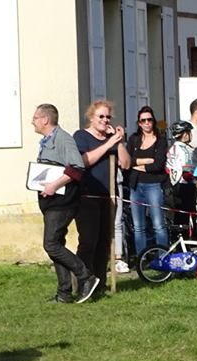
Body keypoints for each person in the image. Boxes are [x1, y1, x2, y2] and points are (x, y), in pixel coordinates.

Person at [31, 103, 99, 305]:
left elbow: (77, 168)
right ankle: (64, 293)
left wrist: (54, 185)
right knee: (56, 244)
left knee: (50, 244)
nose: (32, 121)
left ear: (45, 120)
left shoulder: (64, 139)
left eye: (35, 118)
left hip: (63, 201)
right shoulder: (46, 141)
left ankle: (86, 276)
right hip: (50, 202)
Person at [74, 99, 130, 294]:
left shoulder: (111, 139)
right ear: (92, 117)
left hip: (108, 196)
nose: (105, 120)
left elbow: (126, 164)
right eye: (101, 116)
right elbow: (84, 160)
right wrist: (108, 144)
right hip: (87, 196)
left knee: (104, 242)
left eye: (108, 117)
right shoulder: (81, 136)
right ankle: (83, 281)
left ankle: (99, 283)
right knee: (88, 240)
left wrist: (119, 142)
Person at [126, 105, 170, 258]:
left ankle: (163, 257)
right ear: (139, 123)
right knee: (138, 226)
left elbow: (158, 165)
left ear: (153, 121)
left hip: (154, 185)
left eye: (149, 120)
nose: (146, 123)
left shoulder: (161, 141)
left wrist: (136, 164)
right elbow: (127, 161)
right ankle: (141, 258)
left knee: (158, 224)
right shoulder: (134, 139)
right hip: (136, 186)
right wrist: (144, 161)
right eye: (143, 120)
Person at [166, 120, 196, 228]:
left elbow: (168, 169)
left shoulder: (172, 148)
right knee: (190, 215)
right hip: (187, 186)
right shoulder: (186, 150)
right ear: (184, 134)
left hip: (173, 186)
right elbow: (187, 172)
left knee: (178, 216)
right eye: (189, 132)